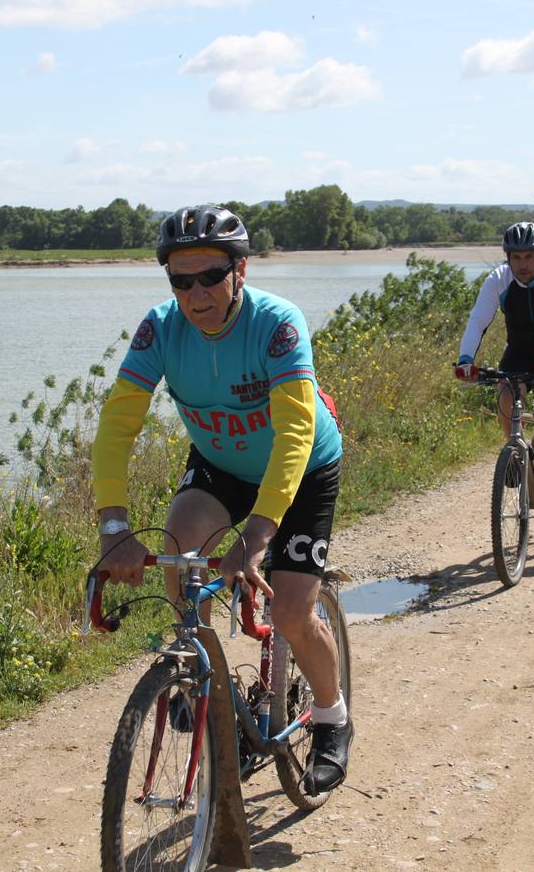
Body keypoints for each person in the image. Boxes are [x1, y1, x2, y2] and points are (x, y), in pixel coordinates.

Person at [91, 204, 352, 796]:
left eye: (209, 275)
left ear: (240, 270)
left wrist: (257, 535)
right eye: (180, 280)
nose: (195, 292)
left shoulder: (277, 324)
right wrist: (114, 529)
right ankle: (217, 698)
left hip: (303, 466)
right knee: (181, 552)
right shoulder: (161, 327)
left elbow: (292, 433)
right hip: (220, 465)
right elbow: (117, 425)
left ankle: (334, 719)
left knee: (288, 610)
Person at [455, 221, 534, 534]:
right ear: (507, 258)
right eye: (515, 258)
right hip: (521, 353)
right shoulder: (499, 279)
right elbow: (478, 319)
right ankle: (517, 453)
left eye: (528, 257)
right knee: (505, 397)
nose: (522, 265)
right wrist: (465, 360)